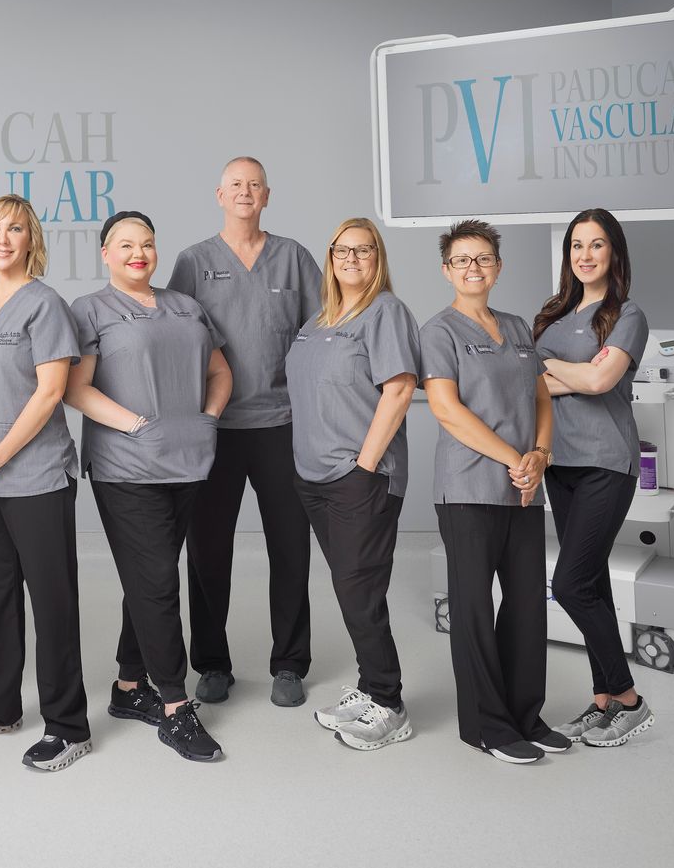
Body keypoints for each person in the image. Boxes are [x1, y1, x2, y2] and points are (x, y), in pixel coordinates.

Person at [65, 210, 230, 764]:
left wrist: (207, 418)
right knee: (158, 580)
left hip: (188, 459)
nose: (139, 253)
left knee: (147, 578)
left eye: (148, 244)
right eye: (126, 244)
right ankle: (176, 708)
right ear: (106, 253)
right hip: (126, 467)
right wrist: (137, 426)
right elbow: (75, 388)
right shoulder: (89, 309)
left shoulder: (187, 306)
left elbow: (220, 371)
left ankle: (129, 687)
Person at [166, 156, 321, 708]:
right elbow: (175, 337)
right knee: (208, 549)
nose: (245, 192)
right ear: (219, 194)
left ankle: (290, 664)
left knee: (290, 546)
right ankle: (211, 663)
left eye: (254, 185)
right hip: (217, 427)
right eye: (236, 184)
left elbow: (322, 332)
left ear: (267, 195)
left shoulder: (294, 258)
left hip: (282, 423)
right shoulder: (194, 262)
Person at [0, 194, 91, 773]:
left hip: (34, 479)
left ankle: (68, 725)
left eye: (15, 228)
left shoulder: (45, 305)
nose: (3, 237)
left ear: (31, 238)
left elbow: (51, 391)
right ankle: (0, 706)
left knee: (52, 602)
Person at [420, 219, 568, 764]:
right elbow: (446, 409)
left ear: (498, 267)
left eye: (483, 258)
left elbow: (542, 400)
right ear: (447, 270)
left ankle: (526, 714)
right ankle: (488, 726)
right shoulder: (439, 331)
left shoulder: (518, 328)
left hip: (524, 488)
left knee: (528, 604)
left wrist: (541, 458)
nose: (474, 267)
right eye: (462, 260)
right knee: (474, 608)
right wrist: (516, 459)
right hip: (468, 490)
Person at [285, 217, 419, 752]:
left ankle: (389, 703)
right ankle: (369, 686)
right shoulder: (318, 320)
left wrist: (364, 467)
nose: (351, 259)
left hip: (359, 477)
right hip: (313, 478)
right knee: (349, 587)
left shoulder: (385, 311)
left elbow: (400, 389)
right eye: (342, 250)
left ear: (378, 257)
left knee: (360, 591)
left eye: (363, 250)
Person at [534, 208, 656, 748]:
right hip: (560, 464)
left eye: (597, 245)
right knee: (595, 582)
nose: (585, 255)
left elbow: (603, 378)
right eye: (577, 245)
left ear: (614, 253)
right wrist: (577, 375)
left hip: (607, 461)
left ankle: (629, 699)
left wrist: (557, 371)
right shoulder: (552, 316)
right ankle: (602, 700)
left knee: (569, 585)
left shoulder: (626, 314)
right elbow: (532, 385)